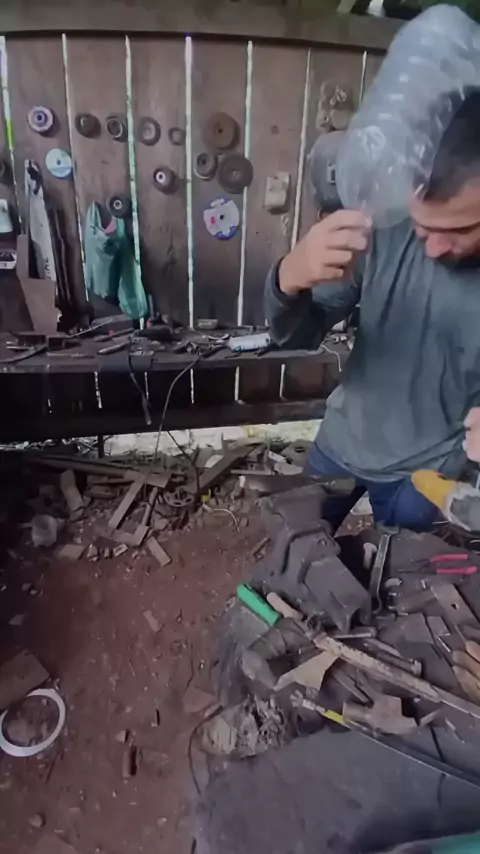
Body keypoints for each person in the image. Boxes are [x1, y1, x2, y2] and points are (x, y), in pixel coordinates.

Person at [265, 90, 480, 531]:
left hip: (427, 473)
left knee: (399, 572)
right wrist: (290, 277)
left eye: (457, 229)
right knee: (295, 546)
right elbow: (297, 336)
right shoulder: (387, 225)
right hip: (342, 443)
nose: (433, 248)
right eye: (423, 224)